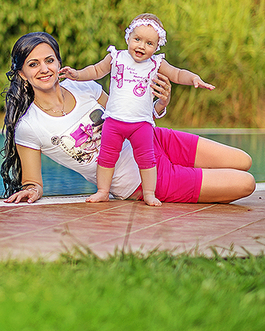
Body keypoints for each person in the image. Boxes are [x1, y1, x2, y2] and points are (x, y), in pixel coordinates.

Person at [0, 31, 255, 205]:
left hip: (155, 140)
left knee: (243, 160)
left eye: (49, 60)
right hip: (142, 181)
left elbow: (131, 117)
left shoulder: (85, 87)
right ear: (22, 74)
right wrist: (30, 190)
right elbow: (33, 182)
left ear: (59, 63)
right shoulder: (30, 126)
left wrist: (161, 103)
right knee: (246, 183)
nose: (44, 69)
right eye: (33, 64)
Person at [60, 13, 214, 206]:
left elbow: (177, 73)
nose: (141, 46)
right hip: (114, 122)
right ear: (128, 38)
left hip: (141, 125)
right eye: (137, 39)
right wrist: (77, 74)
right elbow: (96, 70)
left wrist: (193, 78)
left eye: (149, 43)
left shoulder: (156, 64)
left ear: (156, 47)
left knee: (147, 160)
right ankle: (103, 191)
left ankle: (149, 193)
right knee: (106, 158)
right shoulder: (116, 57)